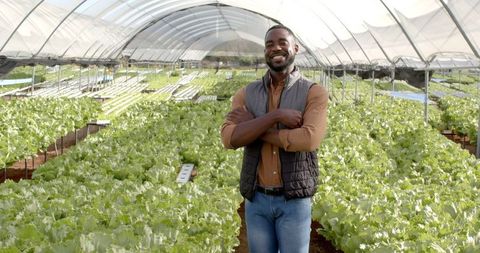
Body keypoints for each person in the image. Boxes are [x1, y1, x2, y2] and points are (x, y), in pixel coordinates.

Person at [220, 24, 328, 253]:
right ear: (265, 52)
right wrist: (276, 116)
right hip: (256, 200)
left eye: (282, 43)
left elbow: (308, 139)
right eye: (269, 44)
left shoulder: (313, 92)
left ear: (295, 48)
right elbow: (229, 138)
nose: (275, 48)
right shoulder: (246, 93)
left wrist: (254, 126)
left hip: (294, 201)